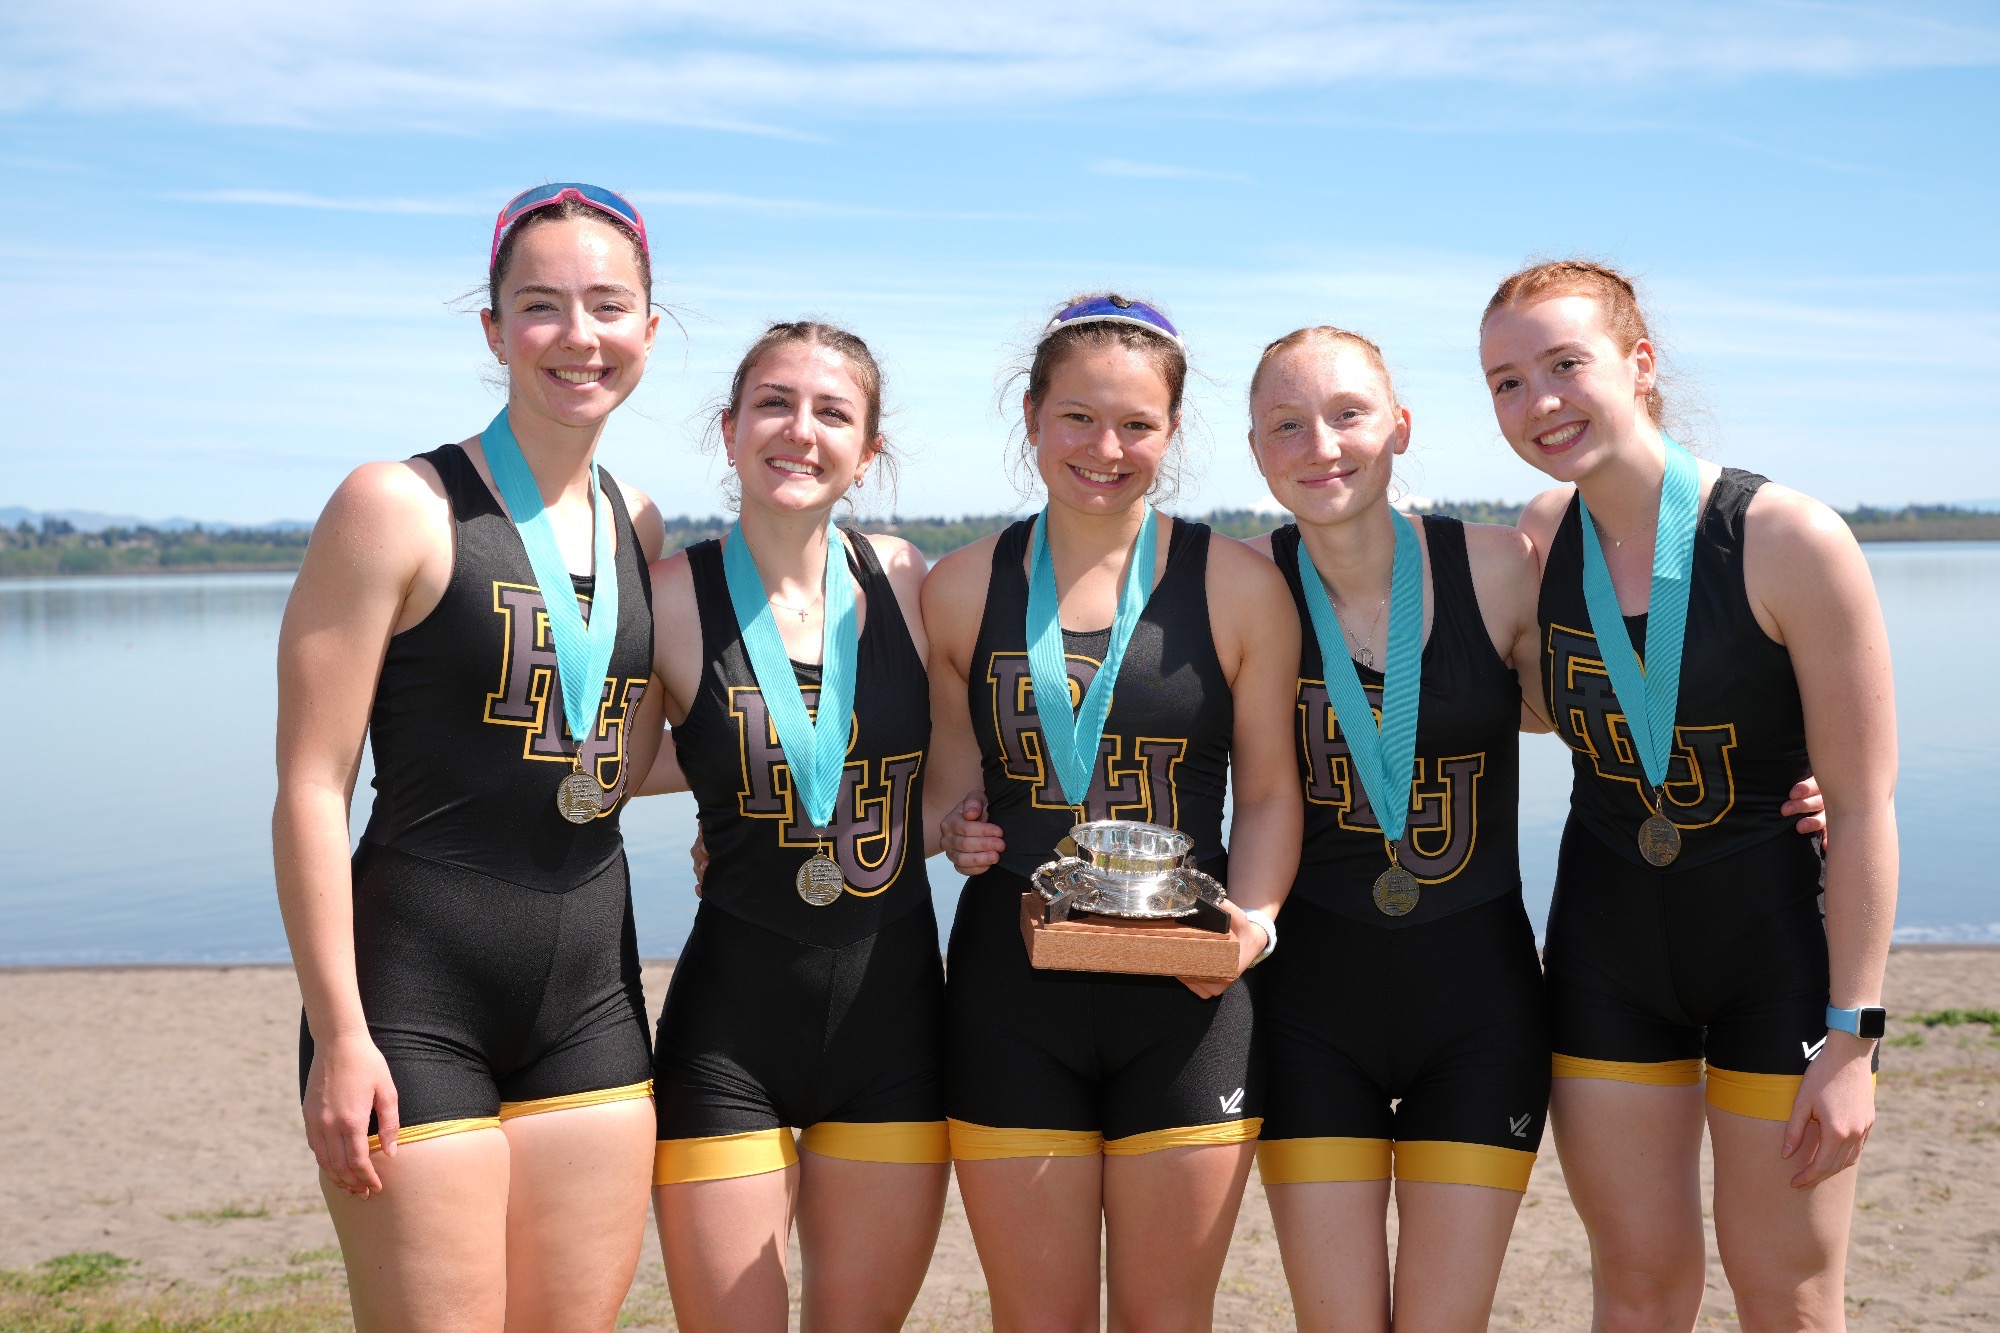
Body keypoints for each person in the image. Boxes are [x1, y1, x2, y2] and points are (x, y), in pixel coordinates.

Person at [273, 183, 667, 1331]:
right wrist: (340, 1032)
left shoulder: (637, 523)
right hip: (411, 995)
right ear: (493, 330)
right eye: (540, 306)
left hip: (595, 997)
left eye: (608, 305)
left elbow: (619, 749)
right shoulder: (394, 505)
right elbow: (309, 786)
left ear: (650, 327)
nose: (577, 335)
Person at [1484, 260, 1897, 1330]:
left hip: (1777, 958)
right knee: (1637, 1284)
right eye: (1506, 383)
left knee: (1788, 1289)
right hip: (1606, 953)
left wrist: (1851, 1040)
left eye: (1563, 365)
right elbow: (1513, 700)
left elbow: (1859, 807)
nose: (1538, 403)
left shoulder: (1786, 539)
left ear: (1638, 363)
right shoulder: (1536, 540)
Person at [930, 294, 1303, 1330]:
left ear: (1171, 434)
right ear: (1031, 415)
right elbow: (947, 791)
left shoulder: (1236, 584)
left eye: (1137, 425)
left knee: (1165, 1317)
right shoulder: (960, 588)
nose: (1106, 448)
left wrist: (1255, 923)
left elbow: (1271, 789)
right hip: (1015, 983)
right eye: (1078, 418)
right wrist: (955, 831)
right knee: (1034, 1317)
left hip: (1187, 991)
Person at [1239, 326, 1553, 1330]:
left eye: (1346, 414)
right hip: (1303, 1016)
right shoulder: (1240, 588)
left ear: (1398, 429)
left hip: (1480, 1011)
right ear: (1256, 451)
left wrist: (1798, 765)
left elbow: (1613, 720)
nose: (1320, 444)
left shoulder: (1501, 569)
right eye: (1286, 424)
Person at [641, 322, 947, 1331]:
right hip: (729, 1034)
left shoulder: (909, 582)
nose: (799, 430)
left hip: (893, 1029)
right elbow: (605, 767)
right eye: (773, 403)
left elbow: (962, 776)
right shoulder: (669, 599)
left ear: (867, 450)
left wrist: (964, 828)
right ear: (728, 428)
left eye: (832, 412)